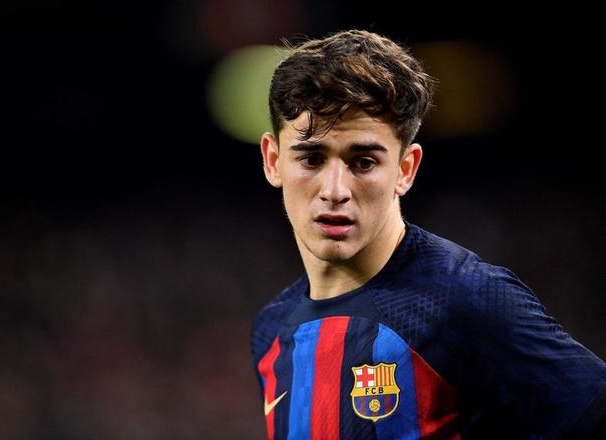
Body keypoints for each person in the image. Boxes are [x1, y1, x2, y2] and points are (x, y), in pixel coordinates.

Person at [250, 30, 605, 440]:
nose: (335, 190)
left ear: (405, 170)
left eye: (363, 162)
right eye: (311, 158)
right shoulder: (271, 331)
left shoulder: (466, 298)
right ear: (273, 161)